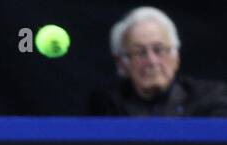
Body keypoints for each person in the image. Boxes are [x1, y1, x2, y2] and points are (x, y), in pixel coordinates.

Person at [88, 6, 227, 117]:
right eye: (140, 52)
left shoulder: (211, 101)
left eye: (159, 50)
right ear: (121, 63)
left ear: (176, 56)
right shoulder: (107, 106)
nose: (152, 61)